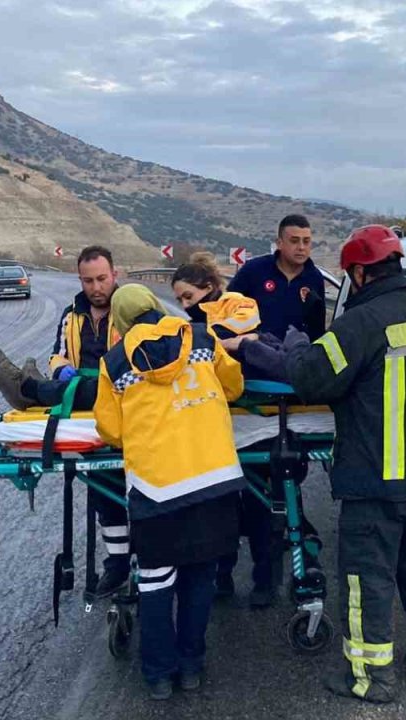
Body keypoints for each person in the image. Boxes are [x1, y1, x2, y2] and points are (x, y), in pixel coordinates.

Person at [284, 225, 406, 704]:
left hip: (376, 479)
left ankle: (369, 677)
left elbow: (311, 380)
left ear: (359, 273)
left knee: (367, 579)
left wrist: (295, 346)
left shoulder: (358, 326)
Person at [93, 284, 245, 700]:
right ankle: (192, 666)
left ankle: (159, 675)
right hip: (215, 481)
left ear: (122, 324)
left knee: (156, 583)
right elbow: (234, 387)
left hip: (157, 489)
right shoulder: (200, 336)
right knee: (201, 577)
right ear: (157, 307)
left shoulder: (116, 361)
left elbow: (110, 430)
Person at [0, 245, 129, 598]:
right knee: (103, 491)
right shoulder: (72, 315)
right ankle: (119, 564)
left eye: (101, 279)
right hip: (83, 397)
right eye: (88, 280)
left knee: (80, 388)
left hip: (122, 391)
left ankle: (29, 388)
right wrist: (62, 367)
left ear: (115, 275)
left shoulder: (132, 311)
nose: (96, 287)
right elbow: (59, 351)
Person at [171, 253, 286, 605]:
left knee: (260, 506)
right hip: (217, 423)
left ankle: (265, 582)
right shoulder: (190, 323)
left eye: (188, 297)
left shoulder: (237, 302)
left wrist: (205, 337)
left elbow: (239, 328)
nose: (185, 305)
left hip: (256, 420)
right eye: (180, 301)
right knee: (218, 507)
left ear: (208, 288)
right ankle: (222, 577)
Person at [227, 214, 327, 340]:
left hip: (295, 356)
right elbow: (227, 309)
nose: (301, 247)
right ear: (279, 243)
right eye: (294, 241)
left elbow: (317, 327)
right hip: (253, 353)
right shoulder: (253, 270)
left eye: (306, 241)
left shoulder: (315, 278)